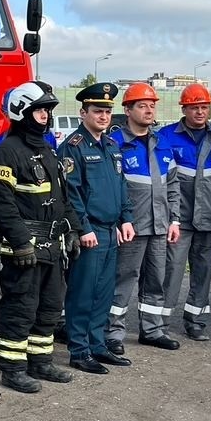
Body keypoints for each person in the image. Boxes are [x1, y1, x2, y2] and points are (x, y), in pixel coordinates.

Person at [0, 82, 80, 392]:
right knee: (19, 308)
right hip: (24, 248)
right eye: (40, 110)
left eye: (48, 111)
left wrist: (73, 230)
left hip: (52, 247)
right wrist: (19, 242)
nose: (45, 116)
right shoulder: (6, 152)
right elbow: (2, 204)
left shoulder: (47, 150)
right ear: (21, 111)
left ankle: (40, 362)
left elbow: (63, 197)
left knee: (50, 306)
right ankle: (13, 369)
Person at [59, 82, 135, 374]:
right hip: (89, 233)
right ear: (83, 113)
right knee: (82, 292)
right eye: (97, 111)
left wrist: (125, 218)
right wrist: (83, 228)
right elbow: (71, 193)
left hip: (110, 230)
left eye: (107, 111)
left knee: (104, 292)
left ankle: (98, 345)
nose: (103, 116)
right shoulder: (73, 147)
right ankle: (79, 351)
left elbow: (120, 186)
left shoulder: (112, 146)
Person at [108, 83, 182, 352]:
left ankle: (152, 330)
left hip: (160, 225)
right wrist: (117, 222)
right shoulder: (114, 143)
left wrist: (174, 220)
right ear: (127, 110)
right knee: (123, 279)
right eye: (142, 105)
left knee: (155, 280)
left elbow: (172, 185)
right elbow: (109, 188)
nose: (149, 110)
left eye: (152, 105)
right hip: (131, 226)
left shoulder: (162, 143)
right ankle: (113, 332)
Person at [159, 83, 211, 342]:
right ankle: (161, 321)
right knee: (171, 270)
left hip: (209, 217)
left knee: (203, 271)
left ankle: (195, 320)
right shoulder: (166, 136)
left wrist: (210, 197)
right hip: (177, 218)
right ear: (185, 109)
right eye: (195, 108)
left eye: (204, 107)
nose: (200, 112)